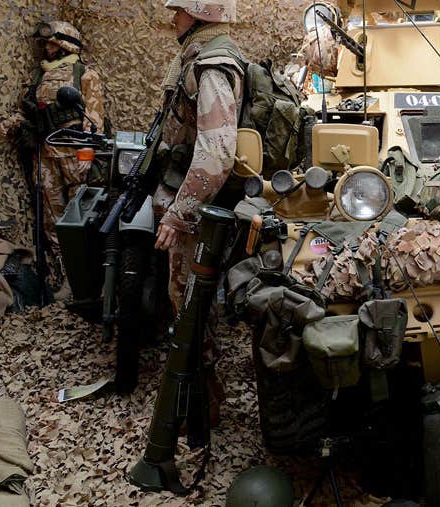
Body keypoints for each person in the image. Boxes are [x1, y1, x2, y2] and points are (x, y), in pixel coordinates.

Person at [152, 0, 245, 422]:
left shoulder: (212, 65)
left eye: (179, 11)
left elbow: (217, 154)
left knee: (191, 302)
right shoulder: (198, 59)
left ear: (200, 13)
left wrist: (179, 213)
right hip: (193, 201)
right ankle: (196, 399)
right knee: (188, 300)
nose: (174, 18)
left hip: (199, 209)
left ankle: (201, 409)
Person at [1, 21, 105, 297]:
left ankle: (88, 279)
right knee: (52, 218)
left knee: (79, 215)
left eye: (52, 44)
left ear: (65, 44)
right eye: (46, 44)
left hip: (72, 152)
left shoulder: (83, 74)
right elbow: (33, 110)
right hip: (45, 153)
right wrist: (14, 122)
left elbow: (94, 117)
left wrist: (87, 151)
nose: (46, 49)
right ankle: (66, 278)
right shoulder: (40, 76)